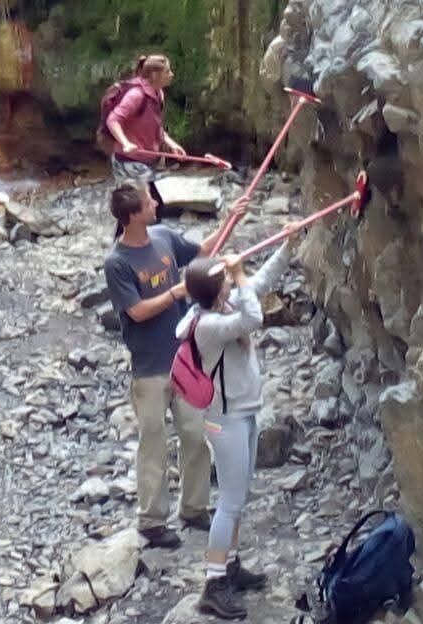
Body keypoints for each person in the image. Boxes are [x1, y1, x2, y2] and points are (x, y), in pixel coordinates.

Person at [176, 244, 292, 620]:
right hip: (224, 421)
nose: (232, 281)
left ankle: (231, 565)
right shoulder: (209, 326)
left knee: (240, 496)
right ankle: (213, 583)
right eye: (226, 280)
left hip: (243, 413)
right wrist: (239, 275)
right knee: (229, 502)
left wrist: (291, 242)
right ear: (218, 291)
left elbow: (257, 285)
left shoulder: (219, 307)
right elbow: (253, 318)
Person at [104, 180, 219, 548]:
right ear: (133, 215)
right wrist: (174, 292)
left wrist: (234, 218)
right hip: (150, 368)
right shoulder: (117, 262)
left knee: (195, 434)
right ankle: (152, 521)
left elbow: (203, 251)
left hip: (184, 359)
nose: (155, 202)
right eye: (148, 201)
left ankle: (194, 508)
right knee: (153, 443)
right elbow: (136, 312)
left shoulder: (165, 236)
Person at [106, 55, 185, 185]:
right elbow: (112, 120)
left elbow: (155, 126)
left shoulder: (158, 94)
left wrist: (172, 145)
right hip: (128, 162)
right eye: (167, 71)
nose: (171, 74)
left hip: (146, 163)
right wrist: (125, 143)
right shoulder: (136, 95)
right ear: (154, 75)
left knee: (151, 204)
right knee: (145, 204)